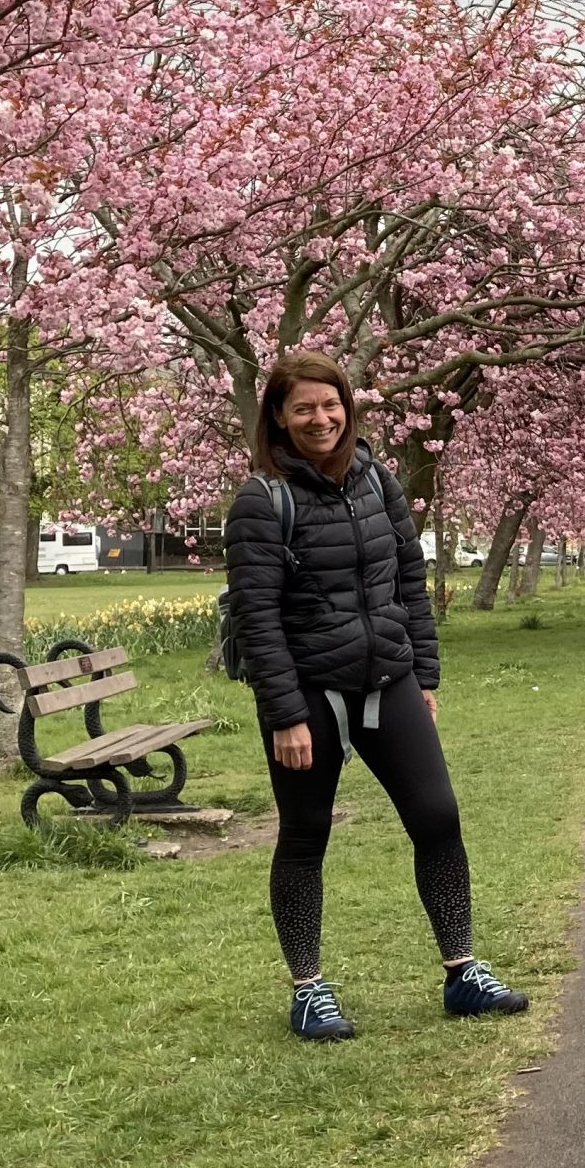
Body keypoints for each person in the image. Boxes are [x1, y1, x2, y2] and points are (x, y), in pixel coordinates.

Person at [226, 349, 529, 1041]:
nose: (320, 417)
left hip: (388, 679)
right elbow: (257, 615)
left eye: (330, 404)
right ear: (278, 414)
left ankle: (462, 972)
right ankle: (308, 988)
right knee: (306, 835)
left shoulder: (377, 479)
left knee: (437, 816)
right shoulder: (261, 498)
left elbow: (407, 581)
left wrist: (424, 676)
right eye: (302, 406)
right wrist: (285, 714)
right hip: (306, 693)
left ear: (347, 408)